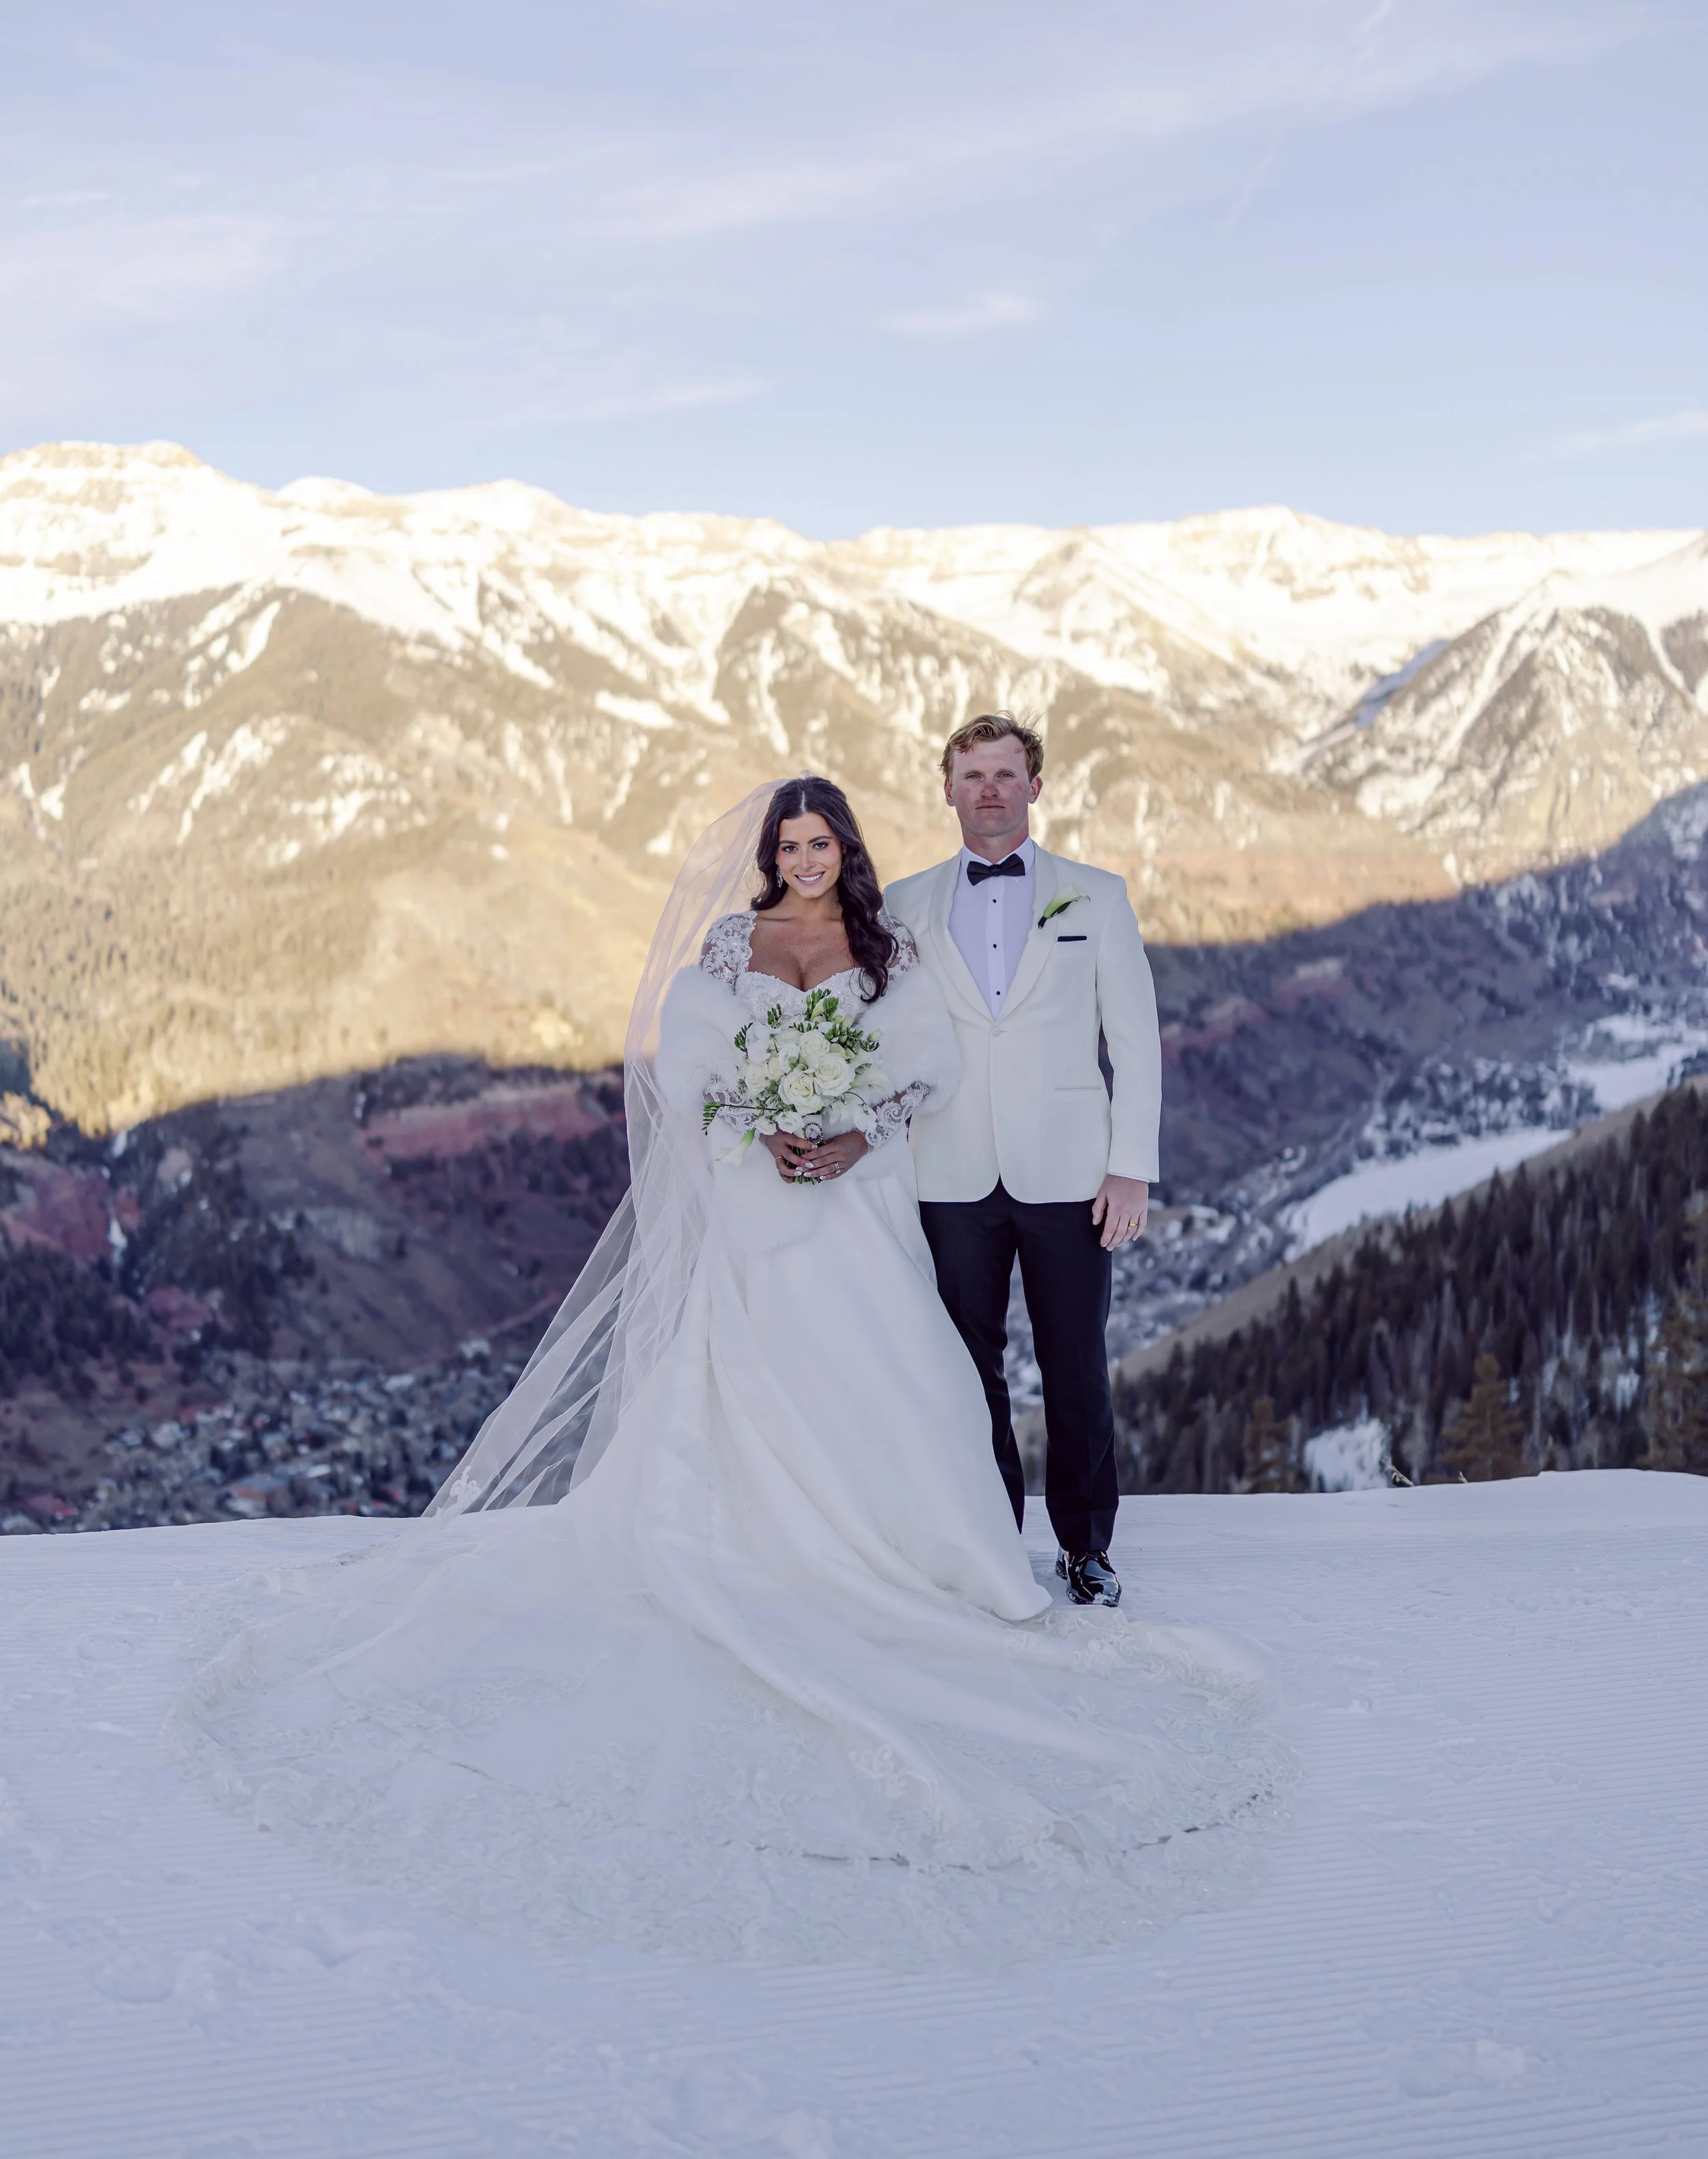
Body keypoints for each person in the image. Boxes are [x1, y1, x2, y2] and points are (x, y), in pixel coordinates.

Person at [168, 779, 1269, 1970]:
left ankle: (932, 1550)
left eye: (821, 840)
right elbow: (687, 1063)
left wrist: (853, 1127)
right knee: (765, 1370)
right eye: (787, 843)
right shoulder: (733, 945)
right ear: (769, 854)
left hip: (863, 1200)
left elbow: (927, 1061)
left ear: (846, 846)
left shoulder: (889, 941)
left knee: (909, 1378)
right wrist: (759, 1116)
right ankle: (766, 1545)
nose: (805, 858)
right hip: (757, 1198)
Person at [886, 715, 1161, 1607]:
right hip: (947, 1168)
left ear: (1036, 787)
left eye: (1008, 773)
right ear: (948, 788)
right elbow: (885, 1037)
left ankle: (1086, 1548)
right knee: (966, 1367)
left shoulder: (1099, 896)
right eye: (974, 775)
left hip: (1071, 1171)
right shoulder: (905, 905)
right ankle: (987, 1539)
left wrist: (1131, 1166)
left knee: (1075, 1359)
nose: (992, 789)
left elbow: (1136, 1041)